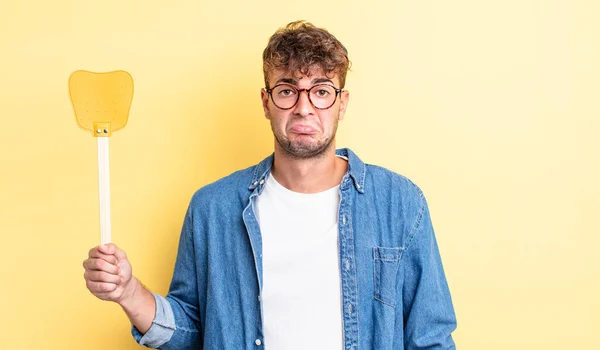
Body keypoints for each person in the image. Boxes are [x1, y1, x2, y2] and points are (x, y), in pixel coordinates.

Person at [83, 20, 457, 349]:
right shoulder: (212, 209)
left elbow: (430, 339)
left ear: (342, 104)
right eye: (287, 90)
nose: (304, 107)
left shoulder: (400, 203)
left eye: (322, 90)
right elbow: (192, 330)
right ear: (266, 102)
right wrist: (129, 292)